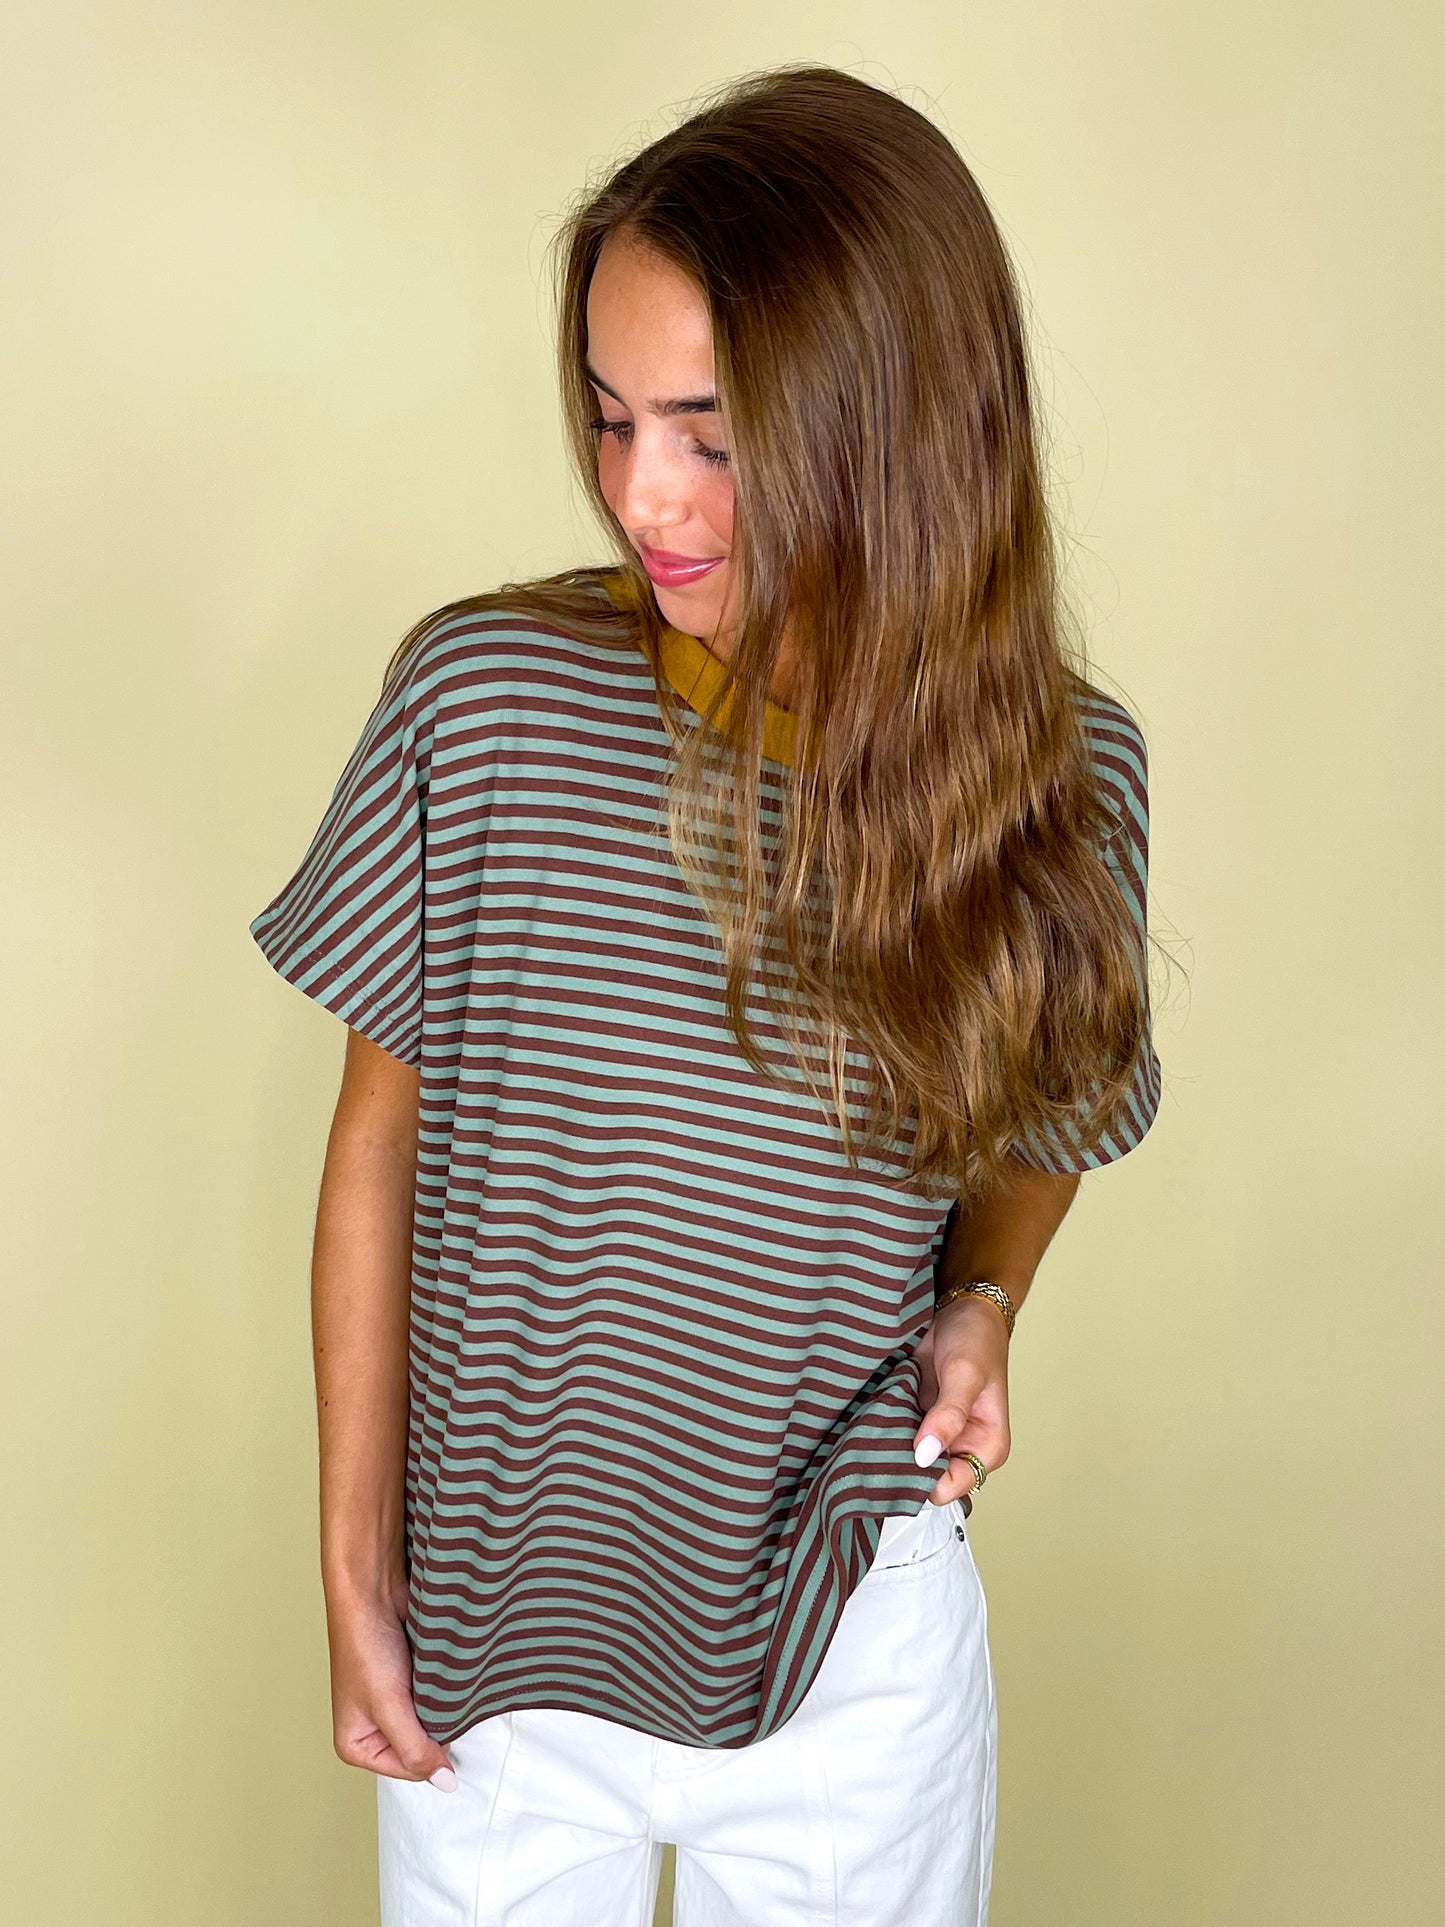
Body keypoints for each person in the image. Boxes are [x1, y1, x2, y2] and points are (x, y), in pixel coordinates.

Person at [249, 62, 1162, 1927]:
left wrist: (984, 1298)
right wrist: (350, 1571)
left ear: (891, 428)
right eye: (608, 417)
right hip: (495, 1643)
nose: (638, 495)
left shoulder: (1060, 785)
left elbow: (1051, 1114)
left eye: (711, 436)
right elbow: (378, 1141)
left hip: (850, 1645)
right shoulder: (481, 703)